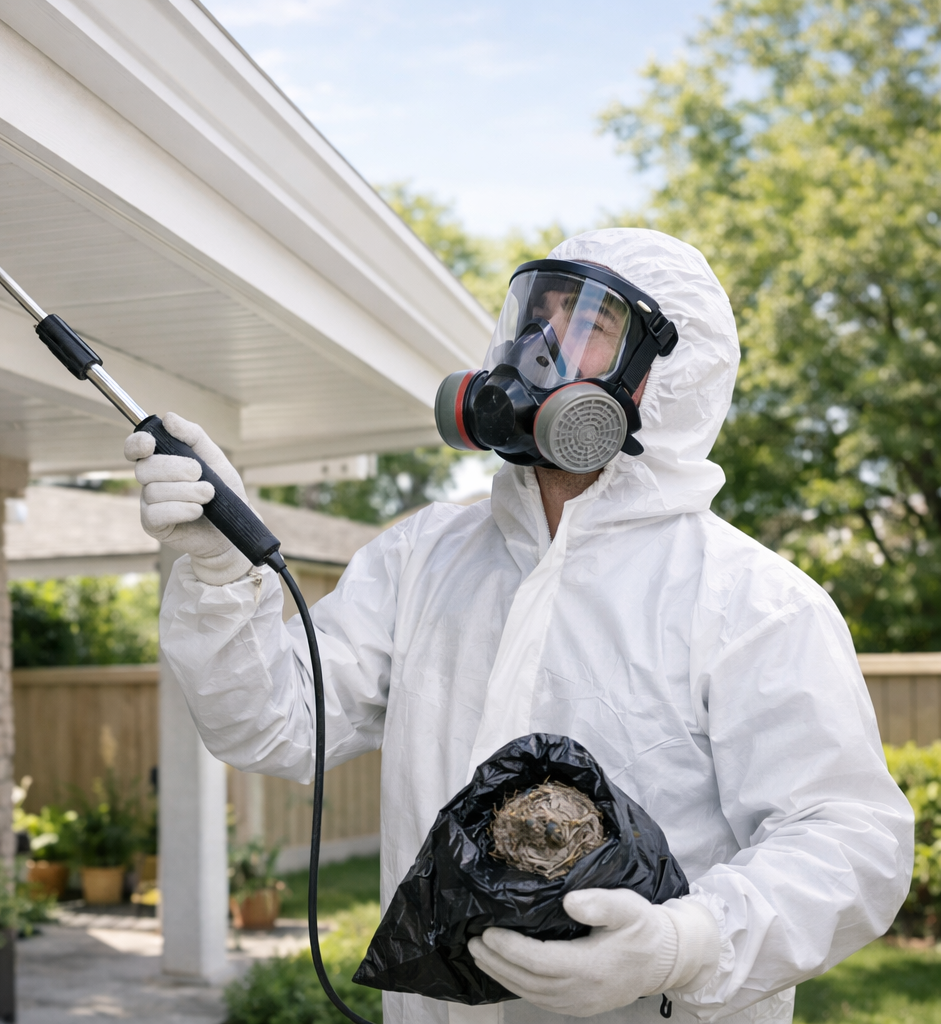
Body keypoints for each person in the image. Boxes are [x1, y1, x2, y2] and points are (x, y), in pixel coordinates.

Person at [125, 228, 913, 1024]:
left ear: (662, 378)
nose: (540, 346)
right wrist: (223, 574)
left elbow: (850, 842)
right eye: (539, 315)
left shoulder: (752, 601)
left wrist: (684, 944)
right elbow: (274, 726)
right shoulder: (422, 559)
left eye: (586, 326)